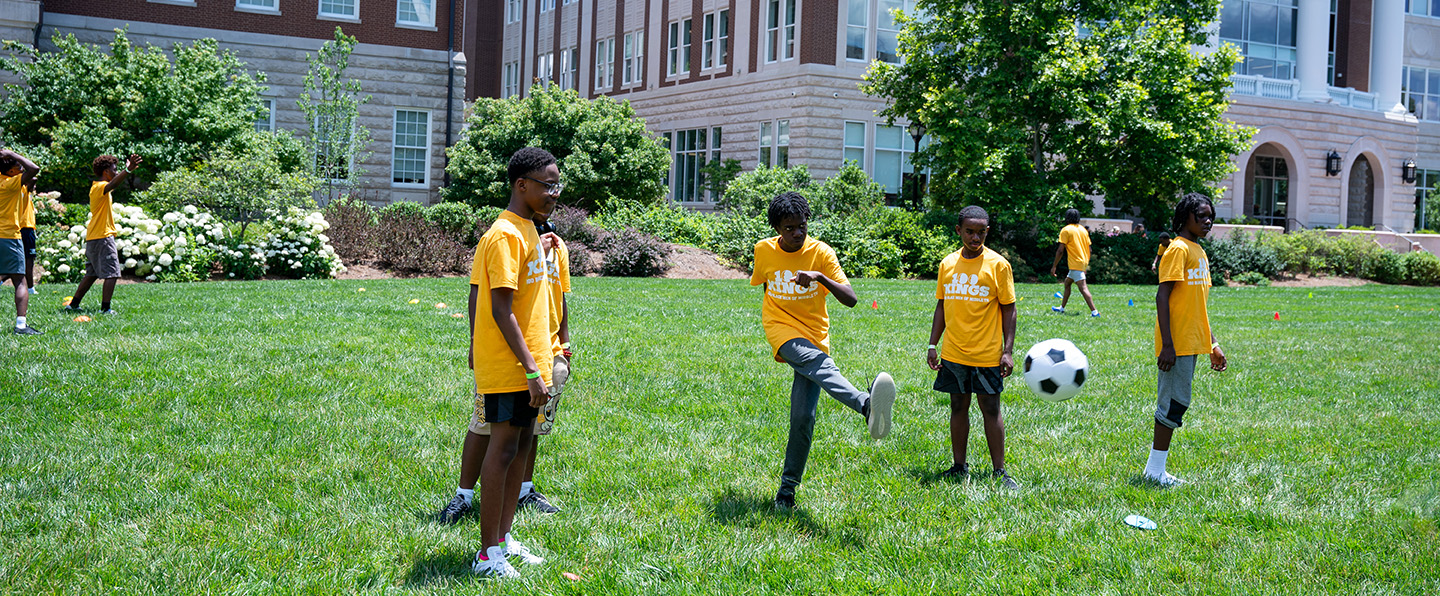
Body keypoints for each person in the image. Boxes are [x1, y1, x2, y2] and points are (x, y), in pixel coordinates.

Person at [751, 191, 896, 511]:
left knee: (803, 417)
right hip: (780, 328)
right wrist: (778, 317)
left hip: (815, 334)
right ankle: (866, 404)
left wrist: (819, 277)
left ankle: (786, 492)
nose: (797, 233)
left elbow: (851, 298)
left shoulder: (821, 253)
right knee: (818, 365)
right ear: (777, 228)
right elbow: (765, 284)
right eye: (789, 228)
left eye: (802, 226)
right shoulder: (764, 250)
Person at [463, 147, 559, 579]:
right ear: (522, 185)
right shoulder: (504, 235)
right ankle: (487, 555)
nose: (554, 192)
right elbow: (500, 309)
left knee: (520, 447)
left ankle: (503, 540)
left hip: (531, 360)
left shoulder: (530, 230)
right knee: (501, 450)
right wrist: (532, 370)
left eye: (557, 184)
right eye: (547, 184)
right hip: (511, 366)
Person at [438, 213, 569, 526]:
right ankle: (464, 494)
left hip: (545, 350)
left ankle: (524, 488)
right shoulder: (502, 238)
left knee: (531, 427)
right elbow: (478, 292)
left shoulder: (557, 247)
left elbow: (560, 295)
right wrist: (473, 341)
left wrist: (564, 343)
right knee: (484, 423)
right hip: (505, 353)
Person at [927, 206, 1019, 489]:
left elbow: (1009, 309)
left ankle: (1000, 471)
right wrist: (933, 344)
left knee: (990, 408)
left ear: (987, 232)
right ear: (959, 231)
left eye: (981, 232)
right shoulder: (947, 264)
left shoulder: (998, 265)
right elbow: (942, 305)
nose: (975, 237)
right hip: (954, 351)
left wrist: (1007, 350)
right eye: (969, 231)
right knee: (958, 405)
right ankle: (958, 466)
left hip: (987, 353)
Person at [1144, 193, 1227, 486]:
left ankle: (1156, 469)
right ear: (1185, 217)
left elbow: (1197, 306)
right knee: (1172, 405)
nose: (1208, 221)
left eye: (1210, 216)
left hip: (1192, 341)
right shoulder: (1178, 249)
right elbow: (1162, 295)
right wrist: (1167, 344)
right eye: (1201, 216)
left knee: (1179, 403)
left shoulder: (1199, 251)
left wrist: (1212, 344)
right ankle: (1154, 471)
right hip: (1176, 343)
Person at [67, 154, 142, 314]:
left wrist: (126, 170)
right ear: (106, 171)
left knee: (92, 274)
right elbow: (115, 182)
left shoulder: (98, 187)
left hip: (94, 236)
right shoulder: (100, 187)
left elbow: (116, 182)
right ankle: (105, 309)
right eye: (114, 170)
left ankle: (73, 304)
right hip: (102, 237)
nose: (116, 173)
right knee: (112, 273)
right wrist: (128, 170)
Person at [0, 149, 41, 335]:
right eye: (17, 166)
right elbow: (34, 168)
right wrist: (11, 153)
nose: (21, 168)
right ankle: (21, 325)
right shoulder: (10, 184)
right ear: (9, 172)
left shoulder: (5, 180)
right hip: (9, 236)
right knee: (20, 280)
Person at [1049, 208, 1099, 317]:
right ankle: (1061, 308)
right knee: (1067, 283)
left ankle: (1094, 312)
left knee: (1083, 288)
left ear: (1067, 218)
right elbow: (1089, 250)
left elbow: (1060, 250)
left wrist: (1054, 266)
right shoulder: (1083, 230)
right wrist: (1085, 265)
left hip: (1075, 264)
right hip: (1081, 263)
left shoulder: (1066, 230)